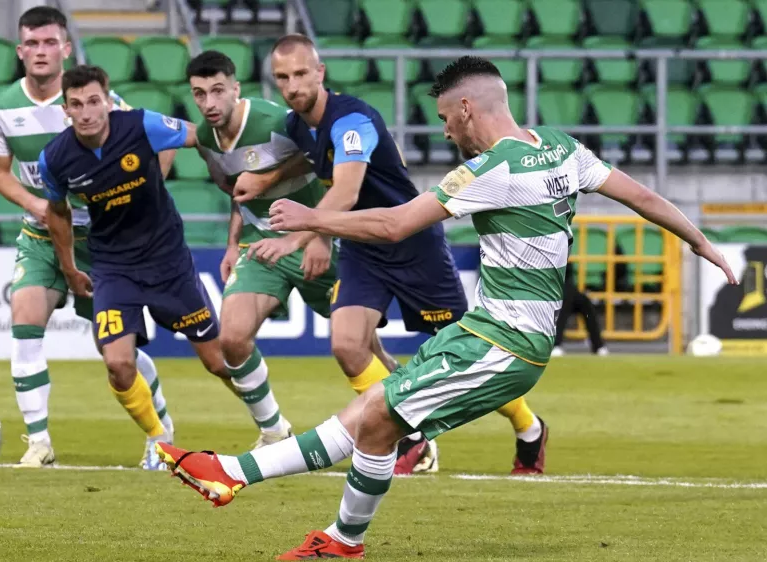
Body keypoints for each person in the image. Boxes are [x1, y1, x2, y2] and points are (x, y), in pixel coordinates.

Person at [154, 55, 738, 560]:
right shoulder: (562, 149)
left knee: (379, 414)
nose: (446, 133)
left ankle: (237, 477)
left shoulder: (491, 169)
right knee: (374, 414)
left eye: (444, 120)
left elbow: (396, 223)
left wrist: (312, 219)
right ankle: (327, 529)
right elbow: (641, 195)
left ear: (465, 108)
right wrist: (700, 242)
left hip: (505, 343)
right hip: (488, 332)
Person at [234, 35, 550, 475]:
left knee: (467, 356)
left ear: (320, 73)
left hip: (413, 244)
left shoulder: (354, 119)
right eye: (283, 77)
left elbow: (345, 190)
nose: (292, 85)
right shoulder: (295, 126)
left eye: (301, 73)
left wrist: (297, 237)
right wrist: (269, 181)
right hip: (365, 250)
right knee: (348, 344)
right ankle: (413, 439)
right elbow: (311, 158)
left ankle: (529, 426)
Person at [186, 50, 407, 454]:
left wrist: (319, 235)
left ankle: (408, 429)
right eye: (199, 94)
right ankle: (274, 431)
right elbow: (239, 191)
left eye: (218, 91)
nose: (210, 103)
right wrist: (233, 243)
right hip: (262, 245)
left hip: (316, 241)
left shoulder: (278, 120)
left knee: (361, 349)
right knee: (232, 340)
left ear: (236, 88)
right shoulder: (205, 139)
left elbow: (320, 164)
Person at [0, 6, 176, 468]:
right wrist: (36, 206)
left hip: (103, 244)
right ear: (19, 51)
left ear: (66, 48)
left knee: (115, 352)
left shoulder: (97, 101)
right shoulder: (2, 108)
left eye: (50, 42)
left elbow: (161, 148)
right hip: (42, 236)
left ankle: (161, 434)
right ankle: (38, 443)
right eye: (32, 43)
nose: (41, 51)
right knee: (24, 319)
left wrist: (137, 198)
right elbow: (0, 174)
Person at [39, 64, 235, 471]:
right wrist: (70, 268)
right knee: (117, 363)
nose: (87, 111)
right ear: (66, 110)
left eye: (94, 101)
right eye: (77, 104)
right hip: (113, 267)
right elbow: (56, 213)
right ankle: (159, 438)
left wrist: (223, 175)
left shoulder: (140, 124)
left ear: (107, 102)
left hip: (167, 259)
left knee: (218, 362)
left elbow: (198, 135)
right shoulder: (55, 159)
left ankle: (274, 425)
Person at [552, 261, 609, 356]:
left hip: (565, 287)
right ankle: (556, 344)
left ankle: (598, 345)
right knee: (564, 303)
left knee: (585, 303)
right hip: (552, 288)